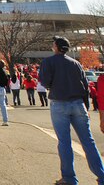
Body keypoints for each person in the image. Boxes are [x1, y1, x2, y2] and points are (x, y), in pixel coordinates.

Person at [39, 36, 104, 185]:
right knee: (88, 141)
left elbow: (45, 81)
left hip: (59, 103)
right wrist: (86, 107)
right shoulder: (76, 64)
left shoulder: (48, 62)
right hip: (78, 103)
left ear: (56, 46)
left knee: (64, 142)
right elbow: (85, 87)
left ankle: (69, 178)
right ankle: (102, 176)